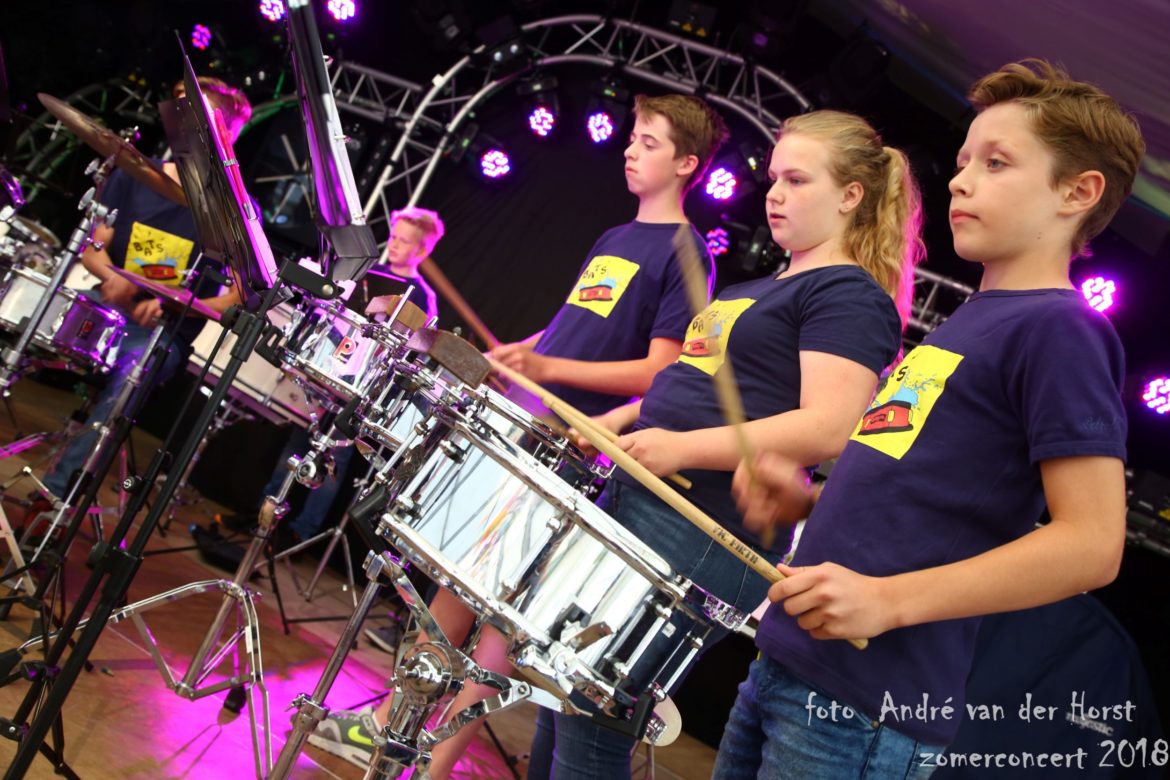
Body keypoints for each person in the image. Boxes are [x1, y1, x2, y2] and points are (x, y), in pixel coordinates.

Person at [712, 60, 1144, 779]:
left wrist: (886, 600)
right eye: (965, 161)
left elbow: (1093, 545)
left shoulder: (1062, 329)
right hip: (789, 662)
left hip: (860, 711)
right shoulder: (969, 321)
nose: (959, 181)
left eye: (996, 163)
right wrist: (811, 501)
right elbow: (933, 498)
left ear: (1078, 191)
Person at [307, 93, 729, 772]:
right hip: (524, 429)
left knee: (503, 623)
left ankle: (435, 762)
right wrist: (515, 354)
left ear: (687, 164)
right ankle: (391, 727)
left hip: (570, 454)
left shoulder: (687, 254)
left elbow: (662, 369)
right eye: (632, 137)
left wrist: (548, 367)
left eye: (649, 143)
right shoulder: (615, 238)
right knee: (452, 587)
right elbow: (569, 326)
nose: (630, 149)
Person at [525, 108, 925, 780]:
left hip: (703, 527)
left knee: (591, 719)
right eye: (775, 178)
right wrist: (622, 420)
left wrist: (681, 450)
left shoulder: (849, 294)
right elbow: (693, 382)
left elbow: (828, 425)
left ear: (850, 196)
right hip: (644, 499)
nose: (775, 194)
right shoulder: (757, 287)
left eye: (798, 180)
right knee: (558, 695)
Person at [41, 77, 252, 498]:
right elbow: (94, 247)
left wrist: (179, 303)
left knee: (131, 378)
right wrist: (112, 275)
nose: (179, 115)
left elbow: (238, 295)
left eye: (194, 109)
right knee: (31, 321)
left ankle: (55, 496)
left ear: (223, 130)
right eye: (178, 104)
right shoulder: (135, 172)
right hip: (105, 305)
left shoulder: (234, 208)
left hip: (160, 332)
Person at [246, 207, 444, 563]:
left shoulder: (423, 298)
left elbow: (410, 352)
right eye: (394, 236)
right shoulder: (370, 274)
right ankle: (264, 517)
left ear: (422, 250)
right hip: (332, 370)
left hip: (363, 391)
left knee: (334, 460)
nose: (394, 244)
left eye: (404, 241)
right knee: (297, 442)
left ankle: (299, 535)